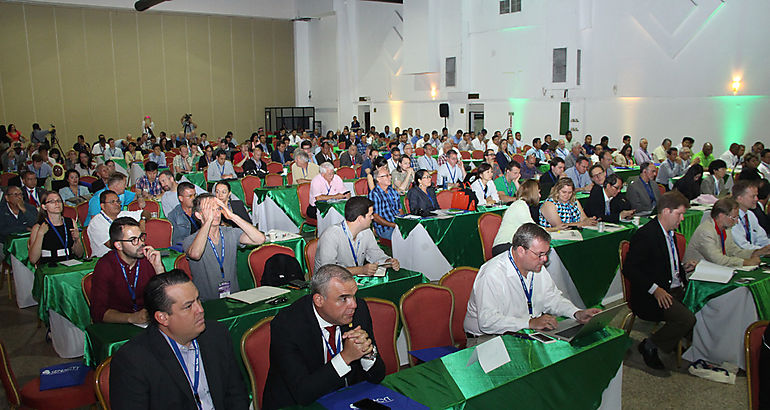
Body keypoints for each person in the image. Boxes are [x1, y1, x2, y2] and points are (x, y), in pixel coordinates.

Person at [110, 270, 249, 410]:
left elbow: (236, 394)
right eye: (188, 306)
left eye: (198, 300)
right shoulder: (133, 361)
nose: (200, 309)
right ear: (163, 317)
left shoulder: (217, 335)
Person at [262, 264, 385, 409]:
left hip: (346, 398)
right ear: (319, 300)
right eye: (343, 298)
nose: (353, 305)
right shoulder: (287, 325)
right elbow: (303, 393)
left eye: (354, 295)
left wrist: (367, 354)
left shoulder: (359, 311)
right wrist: (345, 358)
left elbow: (378, 375)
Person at [464, 223, 601, 342]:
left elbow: (552, 299)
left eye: (546, 253)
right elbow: (487, 322)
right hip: (486, 339)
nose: (545, 259)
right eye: (540, 254)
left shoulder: (537, 268)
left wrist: (576, 313)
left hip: (523, 331)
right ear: (521, 251)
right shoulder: (492, 273)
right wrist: (529, 323)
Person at [623, 191, 697, 370]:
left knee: (702, 304)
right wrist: (654, 289)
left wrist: (682, 267)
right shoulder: (646, 235)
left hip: (674, 287)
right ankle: (651, 344)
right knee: (687, 319)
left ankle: (681, 343)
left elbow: (664, 263)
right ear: (666, 212)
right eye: (679, 214)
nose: (682, 219)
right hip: (651, 296)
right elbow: (631, 269)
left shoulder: (670, 234)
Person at [184, 194, 265, 301]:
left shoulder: (230, 233)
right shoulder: (190, 240)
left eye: (218, 209)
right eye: (210, 210)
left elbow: (259, 239)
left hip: (234, 298)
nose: (216, 214)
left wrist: (232, 216)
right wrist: (208, 220)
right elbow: (195, 254)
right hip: (206, 302)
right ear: (199, 215)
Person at [90, 217, 165, 324]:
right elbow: (98, 312)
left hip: (150, 321)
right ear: (118, 245)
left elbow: (168, 298)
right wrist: (132, 318)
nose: (141, 243)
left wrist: (159, 269)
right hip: (118, 326)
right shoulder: (105, 266)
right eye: (133, 240)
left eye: (141, 237)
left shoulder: (148, 258)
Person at [315, 197, 400, 275]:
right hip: (328, 285)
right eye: (370, 215)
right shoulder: (331, 234)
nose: (373, 218)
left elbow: (375, 254)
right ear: (360, 219)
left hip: (353, 280)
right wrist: (361, 270)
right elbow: (328, 270)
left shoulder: (366, 231)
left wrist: (388, 261)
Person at [684, 198, 770, 267]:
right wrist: (746, 262)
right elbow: (718, 260)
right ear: (721, 216)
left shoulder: (726, 229)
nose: (736, 222)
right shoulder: (706, 231)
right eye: (734, 218)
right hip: (699, 274)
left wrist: (757, 252)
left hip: (716, 270)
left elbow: (734, 251)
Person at [28, 191, 83, 265]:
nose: (57, 204)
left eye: (59, 201)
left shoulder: (71, 222)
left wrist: (76, 240)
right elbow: (33, 259)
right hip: (49, 265)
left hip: (69, 263)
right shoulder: (39, 227)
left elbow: (79, 254)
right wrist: (40, 235)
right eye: (52, 201)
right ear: (44, 206)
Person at [492, 180, 545, 257]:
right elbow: (533, 229)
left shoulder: (521, 204)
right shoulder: (520, 205)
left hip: (511, 246)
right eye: (538, 192)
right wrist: (554, 230)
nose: (540, 196)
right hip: (504, 248)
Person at [88, 190, 147, 257]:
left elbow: (145, 212)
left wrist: (143, 220)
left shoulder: (122, 214)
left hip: (126, 254)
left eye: (118, 201)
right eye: (112, 202)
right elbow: (111, 244)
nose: (117, 204)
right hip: (104, 258)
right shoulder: (96, 223)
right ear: (103, 206)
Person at [730, 180, 770, 250]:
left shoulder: (751, 215)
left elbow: (763, 239)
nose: (756, 199)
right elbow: (743, 246)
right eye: (753, 196)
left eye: (756, 196)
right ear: (740, 198)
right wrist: (764, 251)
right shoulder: (731, 218)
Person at [368, 166, 401, 241]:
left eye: (389, 175)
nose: (389, 177)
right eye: (386, 176)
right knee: (402, 239)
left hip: (397, 225)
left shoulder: (393, 191)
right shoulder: (374, 194)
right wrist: (392, 225)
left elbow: (399, 209)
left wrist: (401, 222)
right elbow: (375, 217)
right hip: (385, 228)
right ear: (378, 179)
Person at [167, 182, 200, 247]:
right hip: (184, 249)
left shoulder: (200, 210)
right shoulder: (173, 216)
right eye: (190, 196)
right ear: (181, 198)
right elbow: (175, 241)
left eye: (195, 195)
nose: (194, 198)